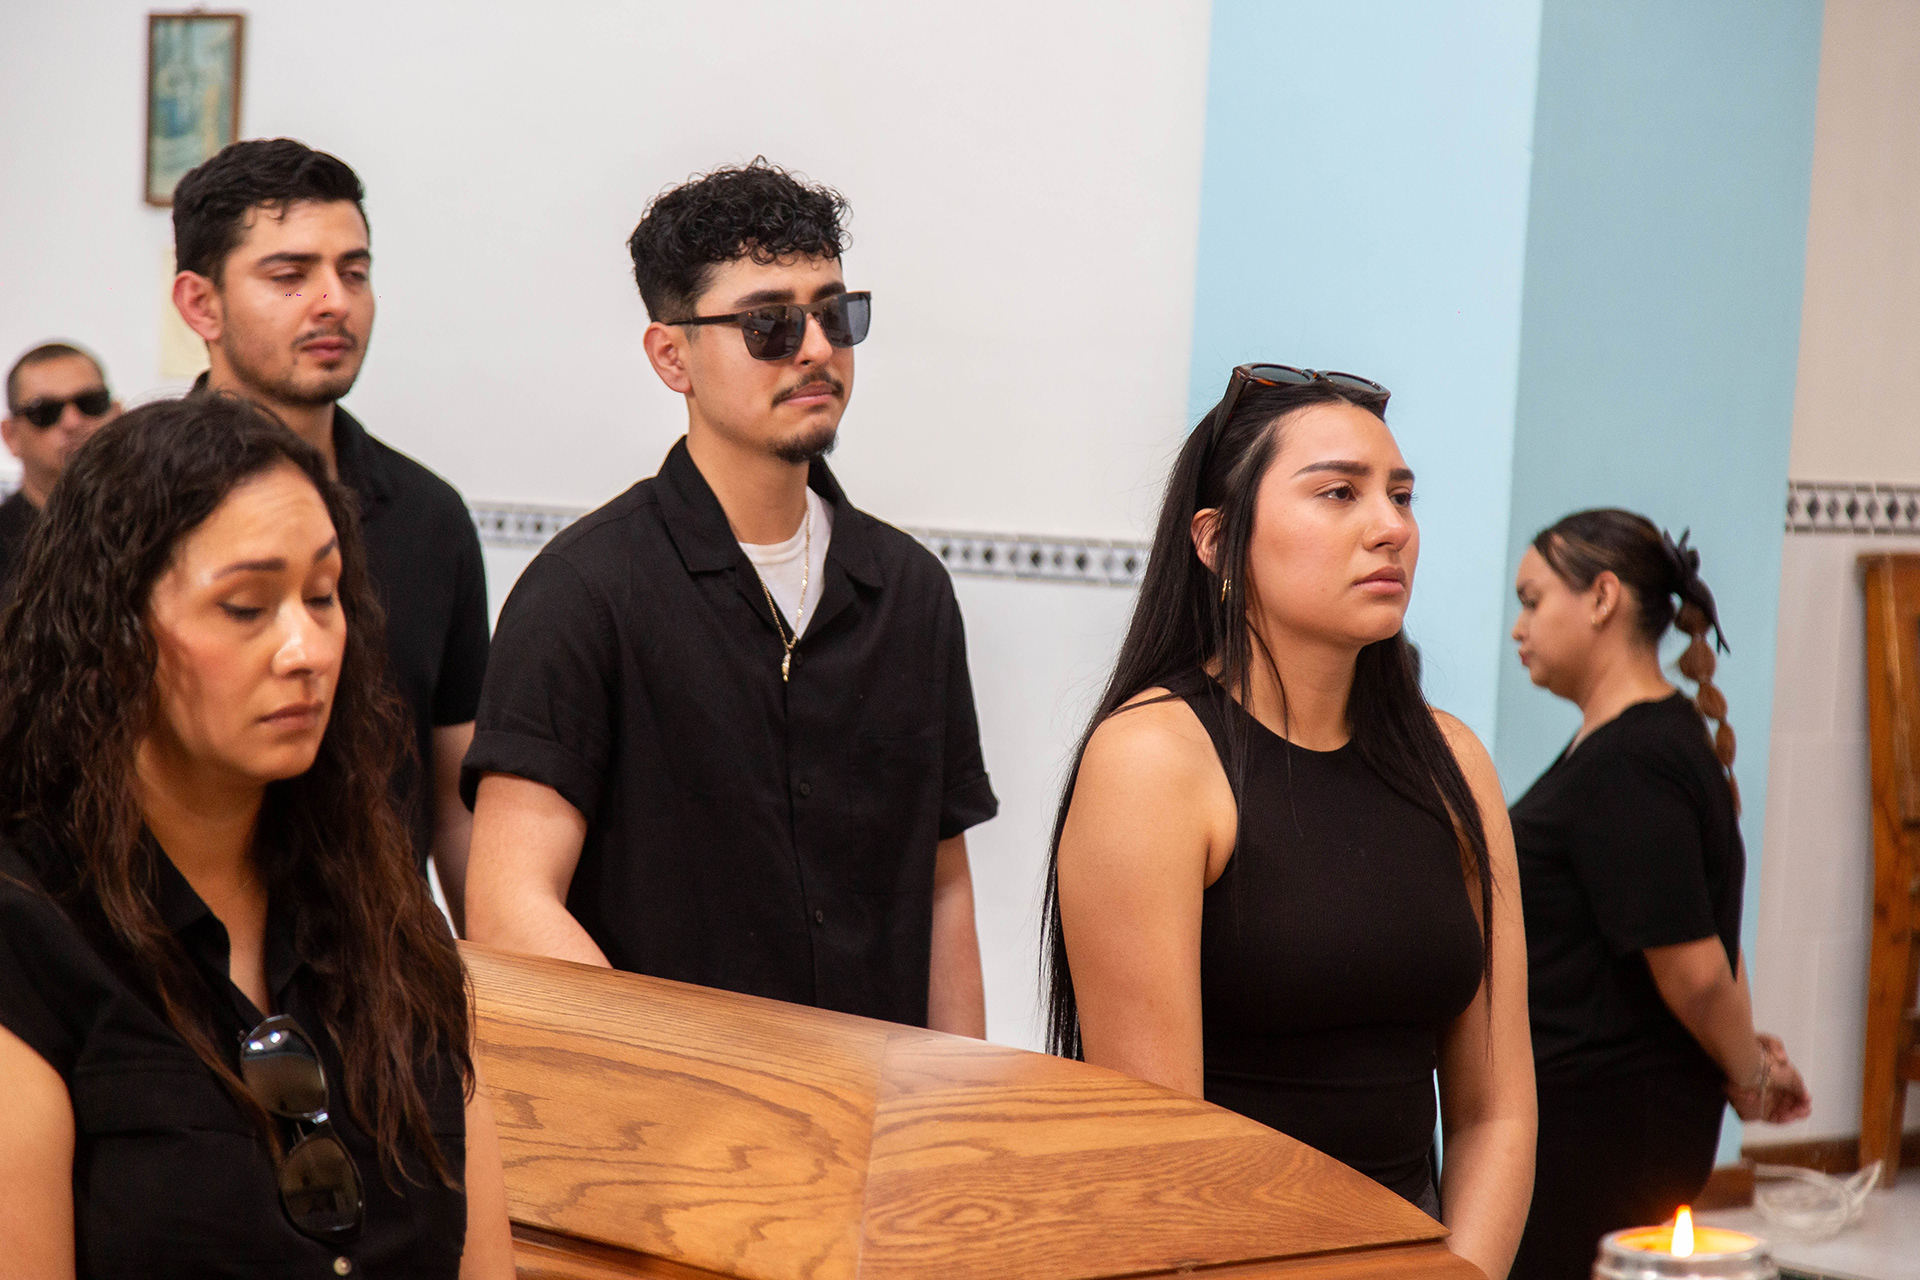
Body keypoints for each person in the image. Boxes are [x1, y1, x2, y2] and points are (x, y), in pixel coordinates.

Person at [463, 160, 997, 1034]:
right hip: (662, 1103)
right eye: (768, 324)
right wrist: (690, 1077)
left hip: (876, 1104)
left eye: (835, 314)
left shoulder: (908, 592)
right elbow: (510, 904)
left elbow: (941, 890)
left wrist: (959, 1099)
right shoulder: (584, 594)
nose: (816, 348)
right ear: (672, 356)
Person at [0, 395, 513, 1278]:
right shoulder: (30, 932)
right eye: (245, 606)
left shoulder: (378, 905)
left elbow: (481, 1252)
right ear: (112, 630)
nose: (305, 650)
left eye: (323, 596)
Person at [1043, 365, 1536, 1279]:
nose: (1390, 527)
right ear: (1218, 541)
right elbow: (1158, 1150)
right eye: (1339, 493)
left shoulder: (1453, 763)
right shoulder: (1156, 760)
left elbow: (1495, 1113)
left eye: (1400, 496)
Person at [169, 139, 489, 928]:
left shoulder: (429, 517)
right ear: (201, 305)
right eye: (290, 275)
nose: (333, 303)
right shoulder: (132, 507)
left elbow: (456, 803)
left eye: (354, 272)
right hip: (172, 954)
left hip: (376, 955)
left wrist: (498, 973)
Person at [1506, 509, 1810, 1279]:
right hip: (1598, 1115)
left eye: (1533, 601)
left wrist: (1751, 1076)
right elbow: (1704, 932)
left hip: (1604, 1126)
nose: (1518, 628)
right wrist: (1746, 1059)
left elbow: (1699, 973)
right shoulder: (1638, 741)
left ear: (1602, 597)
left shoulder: (1632, 759)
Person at [1, 342, 121, 599]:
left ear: (118, 413)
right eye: (45, 412)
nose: (72, 422)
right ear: (10, 436)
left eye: (90, 403)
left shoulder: (158, 527)